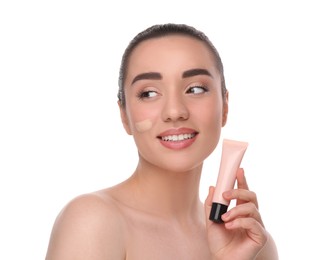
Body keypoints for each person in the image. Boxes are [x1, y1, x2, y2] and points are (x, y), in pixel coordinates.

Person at [45, 23, 278, 259]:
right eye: (149, 93)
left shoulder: (253, 244)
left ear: (225, 106)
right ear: (124, 115)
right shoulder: (93, 221)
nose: (174, 111)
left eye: (195, 89)